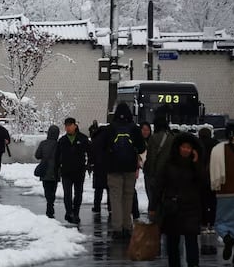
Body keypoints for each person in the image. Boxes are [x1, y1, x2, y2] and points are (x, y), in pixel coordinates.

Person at [150, 132, 206, 267]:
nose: (186, 150)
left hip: (191, 208)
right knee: (172, 243)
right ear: (178, 147)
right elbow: (159, 185)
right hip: (172, 208)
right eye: (184, 147)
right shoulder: (169, 164)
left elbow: (203, 184)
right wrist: (153, 206)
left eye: (189, 147)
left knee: (191, 241)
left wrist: (197, 164)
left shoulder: (195, 165)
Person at [99, 102, 146, 239]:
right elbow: (142, 148)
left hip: (113, 168)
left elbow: (102, 147)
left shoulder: (110, 128)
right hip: (130, 168)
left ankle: (117, 228)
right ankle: (127, 226)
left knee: (115, 197)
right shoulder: (135, 128)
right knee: (128, 196)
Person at [210, 122, 234, 265]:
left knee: (222, 222)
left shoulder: (218, 149)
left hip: (225, 193)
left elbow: (213, 173)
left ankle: (227, 238)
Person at [55, 117, 91, 224]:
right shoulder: (62, 141)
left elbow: (90, 152)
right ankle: (69, 212)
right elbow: (57, 156)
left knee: (78, 194)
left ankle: (76, 213)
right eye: (66, 126)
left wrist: (89, 165)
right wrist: (57, 169)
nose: (68, 128)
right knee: (67, 193)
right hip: (66, 171)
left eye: (70, 125)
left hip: (79, 171)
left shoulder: (83, 139)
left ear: (75, 126)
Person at [35, 124, 61, 218]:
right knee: (53, 189)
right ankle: (51, 204)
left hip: (45, 170)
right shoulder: (59, 145)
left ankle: (49, 204)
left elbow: (37, 155)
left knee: (47, 189)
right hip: (55, 171)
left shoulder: (43, 143)